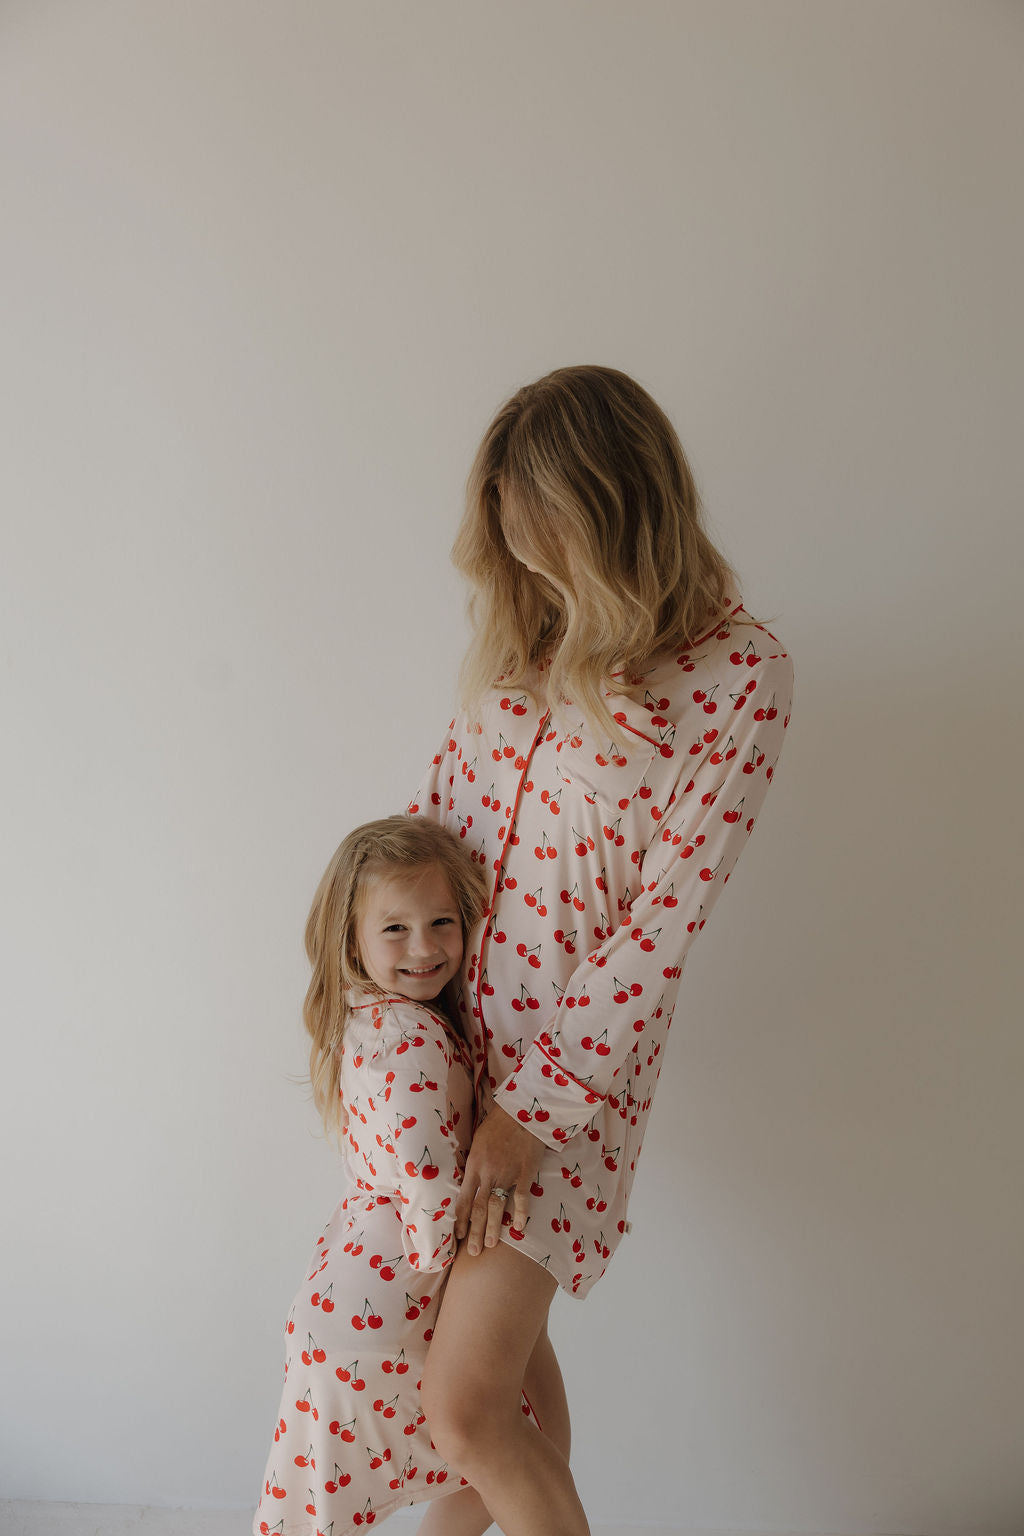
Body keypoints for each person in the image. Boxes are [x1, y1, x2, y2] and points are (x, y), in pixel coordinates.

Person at [407, 364, 795, 1536]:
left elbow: (658, 932)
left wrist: (529, 1115)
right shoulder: (523, 636)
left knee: (465, 1409)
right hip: (436, 1055)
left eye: (548, 547)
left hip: (559, 1092)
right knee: (494, 1395)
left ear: (615, 514)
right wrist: (377, 1013)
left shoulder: (739, 675)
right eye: (514, 550)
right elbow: (435, 830)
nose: (530, 575)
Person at [252, 816, 561, 1536]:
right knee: (511, 1448)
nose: (424, 948)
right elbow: (425, 1176)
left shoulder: (372, 1018)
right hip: (388, 1311)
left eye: (441, 922)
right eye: (395, 929)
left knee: (493, 1458)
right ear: (350, 939)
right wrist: (452, 1278)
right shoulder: (408, 1037)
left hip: (350, 1307)